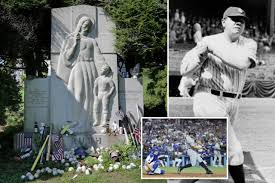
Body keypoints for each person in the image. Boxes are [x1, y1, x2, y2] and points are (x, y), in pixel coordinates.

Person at [180, 7, 257, 183]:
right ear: (223, 22)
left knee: (212, 150)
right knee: (235, 151)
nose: (239, 22)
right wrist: (199, 57)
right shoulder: (208, 41)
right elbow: (184, 70)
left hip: (233, 102)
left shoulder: (249, 44)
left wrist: (212, 50)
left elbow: (242, 63)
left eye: (242, 20)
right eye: (234, 18)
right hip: (208, 98)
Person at [57, 16, 106, 129]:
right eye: (85, 25)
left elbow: (98, 56)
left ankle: (87, 120)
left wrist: (104, 66)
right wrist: (75, 43)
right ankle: (74, 119)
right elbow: (67, 57)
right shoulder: (72, 38)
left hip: (90, 68)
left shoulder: (92, 41)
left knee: (90, 95)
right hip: (79, 67)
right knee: (78, 93)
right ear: (80, 25)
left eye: (88, 26)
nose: (86, 27)